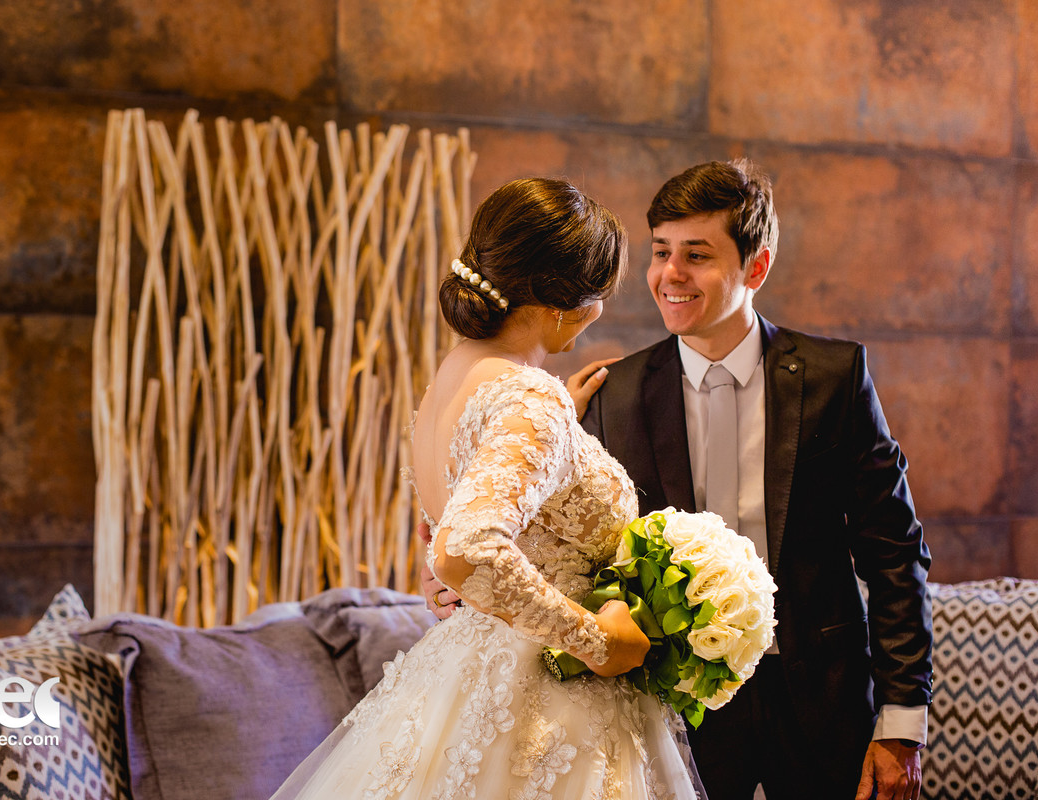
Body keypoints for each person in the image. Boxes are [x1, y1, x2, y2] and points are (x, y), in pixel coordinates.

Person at [429, 159, 933, 800]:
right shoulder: (609, 396)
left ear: (757, 267)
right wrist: (446, 581)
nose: (670, 275)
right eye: (661, 251)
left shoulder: (838, 379)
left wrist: (901, 726)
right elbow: (530, 532)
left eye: (697, 255)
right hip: (671, 706)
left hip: (824, 701)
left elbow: (895, 555)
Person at [273, 177, 705, 799]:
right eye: (598, 297)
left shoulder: (452, 379)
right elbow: (464, 548)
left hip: (462, 683)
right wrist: (597, 639)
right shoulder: (530, 397)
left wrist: (565, 438)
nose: (598, 315)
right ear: (563, 301)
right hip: (546, 708)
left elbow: (460, 533)